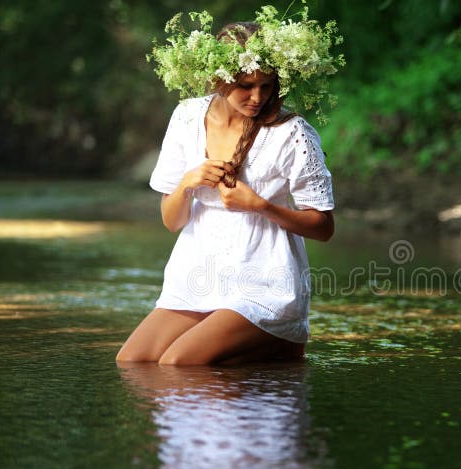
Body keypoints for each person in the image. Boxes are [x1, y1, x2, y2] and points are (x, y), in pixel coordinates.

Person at [116, 8, 343, 366]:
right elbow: (171, 221)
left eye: (266, 86)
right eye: (246, 86)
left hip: (264, 283)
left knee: (177, 364)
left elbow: (324, 227)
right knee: (132, 363)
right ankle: (263, 355)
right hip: (197, 276)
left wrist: (260, 206)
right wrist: (188, 183)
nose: (258, 97)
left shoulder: (292, 133)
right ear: (219, 79)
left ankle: (281, 337)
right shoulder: (187, 117)